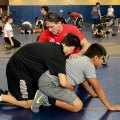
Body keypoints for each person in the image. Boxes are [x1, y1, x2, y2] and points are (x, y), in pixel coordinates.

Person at [31, 43, 120, 113]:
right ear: (96, 58)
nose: (102, 62)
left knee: (72, 92)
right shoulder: (89, 65)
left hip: (48, 80)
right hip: (50, 84)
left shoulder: (82, 59)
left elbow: (84, 80)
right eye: (102, 59)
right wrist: (110, 106)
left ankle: (46, 95)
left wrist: (91, 93)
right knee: (77, 106)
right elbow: (98, 88)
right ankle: (45, 98)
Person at [0, 33, 81, 108]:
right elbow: (63, 82)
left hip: (24, 68)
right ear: (72, 48)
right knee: (30, 104)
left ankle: (5, 94)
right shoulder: (59, 55)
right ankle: (1, 97)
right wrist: (71, 87)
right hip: (18, 69)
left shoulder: (55, 47)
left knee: (33, 95)